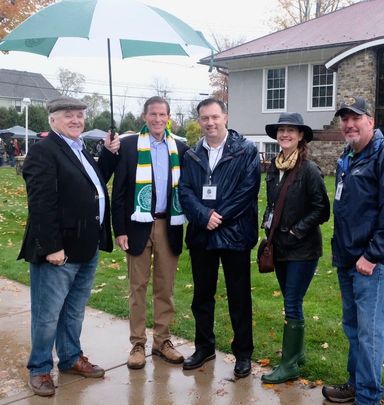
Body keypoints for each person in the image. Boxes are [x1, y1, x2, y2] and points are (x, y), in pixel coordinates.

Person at [17, 96, 120, 397]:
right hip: (59, 252)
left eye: (79, 115)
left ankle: (71, 357)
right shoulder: (44, 152)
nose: (76, 120)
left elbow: (94, 184)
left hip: (86, 246)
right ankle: (39, 369)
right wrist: (51, 247)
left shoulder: (80, 149)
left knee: (74, 311)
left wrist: (110, 155)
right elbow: (41, 205)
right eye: (68, 116)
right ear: (53, 120)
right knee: (47, 315)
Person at [322, 96, 384, 405]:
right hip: (348, 259)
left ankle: (369, 397)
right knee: (353, 328)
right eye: (344, 119)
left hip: (371, 263)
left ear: (370, 121)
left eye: (355, 118)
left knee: (369, 332)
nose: (349, 124)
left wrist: (371, 256)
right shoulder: (347, 158)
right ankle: (356, 384)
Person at [179, 98, 260, 378]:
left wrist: (218, 216)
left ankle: (243, 353)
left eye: (215, 117)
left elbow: (247, 191)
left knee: (239, 297)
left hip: (234, 235)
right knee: (202, 295)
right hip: (202, 236)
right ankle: (204, 347)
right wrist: (204, 216)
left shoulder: (246, 151)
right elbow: (185, 191)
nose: (210, 123)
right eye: (205, 118)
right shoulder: (191, 154)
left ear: (225, 117)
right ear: (199, 121)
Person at [108, 96, 189, 370]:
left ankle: (162, 341)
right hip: (137, 226)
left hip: (169, 225)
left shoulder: (179, 147)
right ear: (144, 116)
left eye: (162, 114)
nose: (157, 119)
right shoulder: (129, 146)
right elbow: (118, 193)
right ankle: (138, 344)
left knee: (165, 288)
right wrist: (119, 230)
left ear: (169, 117)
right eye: (152, 114)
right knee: (137, 288)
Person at [260, 112, 330, 383]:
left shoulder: (309, 170)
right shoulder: (274, 168)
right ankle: (297, 354)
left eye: (291, 130)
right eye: (281, 131)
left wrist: (297, 230)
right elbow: (274, 204)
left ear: (301, 136)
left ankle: (289, 364)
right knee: (293, 301)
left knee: (291, 301)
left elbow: (322, 209)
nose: (285, 135)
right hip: (280, 247)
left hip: (303, 249)